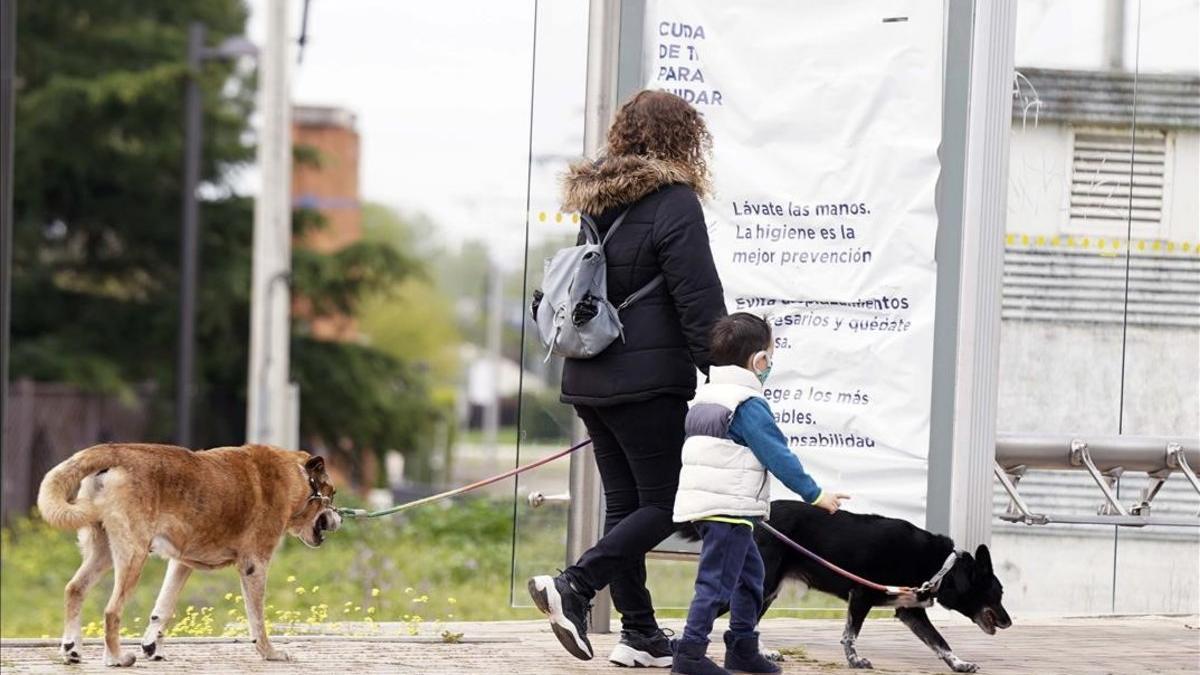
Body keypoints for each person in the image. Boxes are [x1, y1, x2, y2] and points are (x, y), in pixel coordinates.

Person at [527, 90, 727, 668]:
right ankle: (575, 586)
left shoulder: (598, 202)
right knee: (666, 503)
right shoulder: (674, 202)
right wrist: (725, 374)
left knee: (627, 504)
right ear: (682, 138)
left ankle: (638, 631)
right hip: (646, 379)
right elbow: (698, 298)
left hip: (589, 374)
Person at [671, 313, 849, 675]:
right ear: (760, 361)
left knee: (751, 578)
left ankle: (742, 648)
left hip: (712, 506)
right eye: (770, 356)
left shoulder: (707, 395)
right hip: (728, 509)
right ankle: (689, 657)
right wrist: (815, 495)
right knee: (716, 584)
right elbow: (778, 455)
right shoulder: (747, 404)